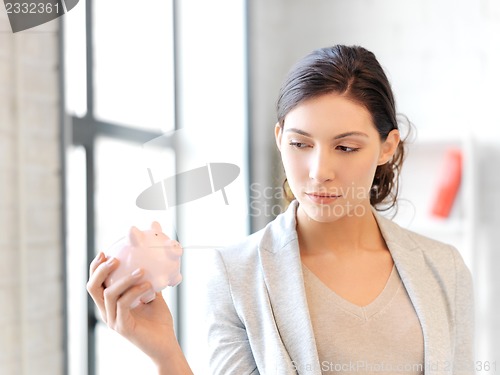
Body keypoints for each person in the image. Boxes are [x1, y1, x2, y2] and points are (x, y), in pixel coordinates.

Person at [87, 45, 474, 374]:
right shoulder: (236, 274)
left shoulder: (445, 269)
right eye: (300, 144)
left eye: (346, 147)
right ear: (279, 138)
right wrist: (165, 353)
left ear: (387, 147)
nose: (319, 172)